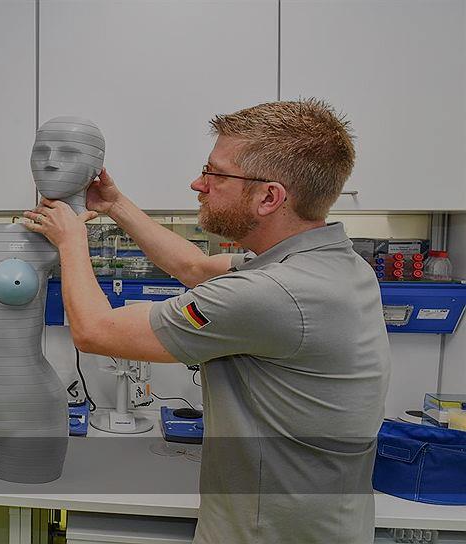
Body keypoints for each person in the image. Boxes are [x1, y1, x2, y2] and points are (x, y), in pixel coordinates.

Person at [24, 99, 390, 544]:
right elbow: (195, 267)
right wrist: (116, 205)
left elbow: (94, 331)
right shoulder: (329, 264)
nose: (198, 184)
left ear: (269, 197)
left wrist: (71, 240)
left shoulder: (272, 293)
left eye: (215, 174)